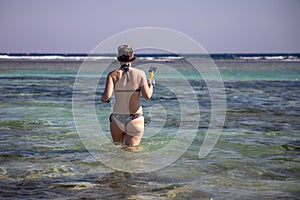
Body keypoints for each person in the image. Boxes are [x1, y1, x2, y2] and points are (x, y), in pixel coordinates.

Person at [101, 45, 153, 148]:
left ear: (118, 57)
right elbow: (147, 96)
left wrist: (103, 98)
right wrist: (150, 86)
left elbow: (106, 97)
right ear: (132, 56)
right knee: (132, 153)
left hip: (117, 119)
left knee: (117, 151)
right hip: (135, 118)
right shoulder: (140, 74)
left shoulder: (112, 75)